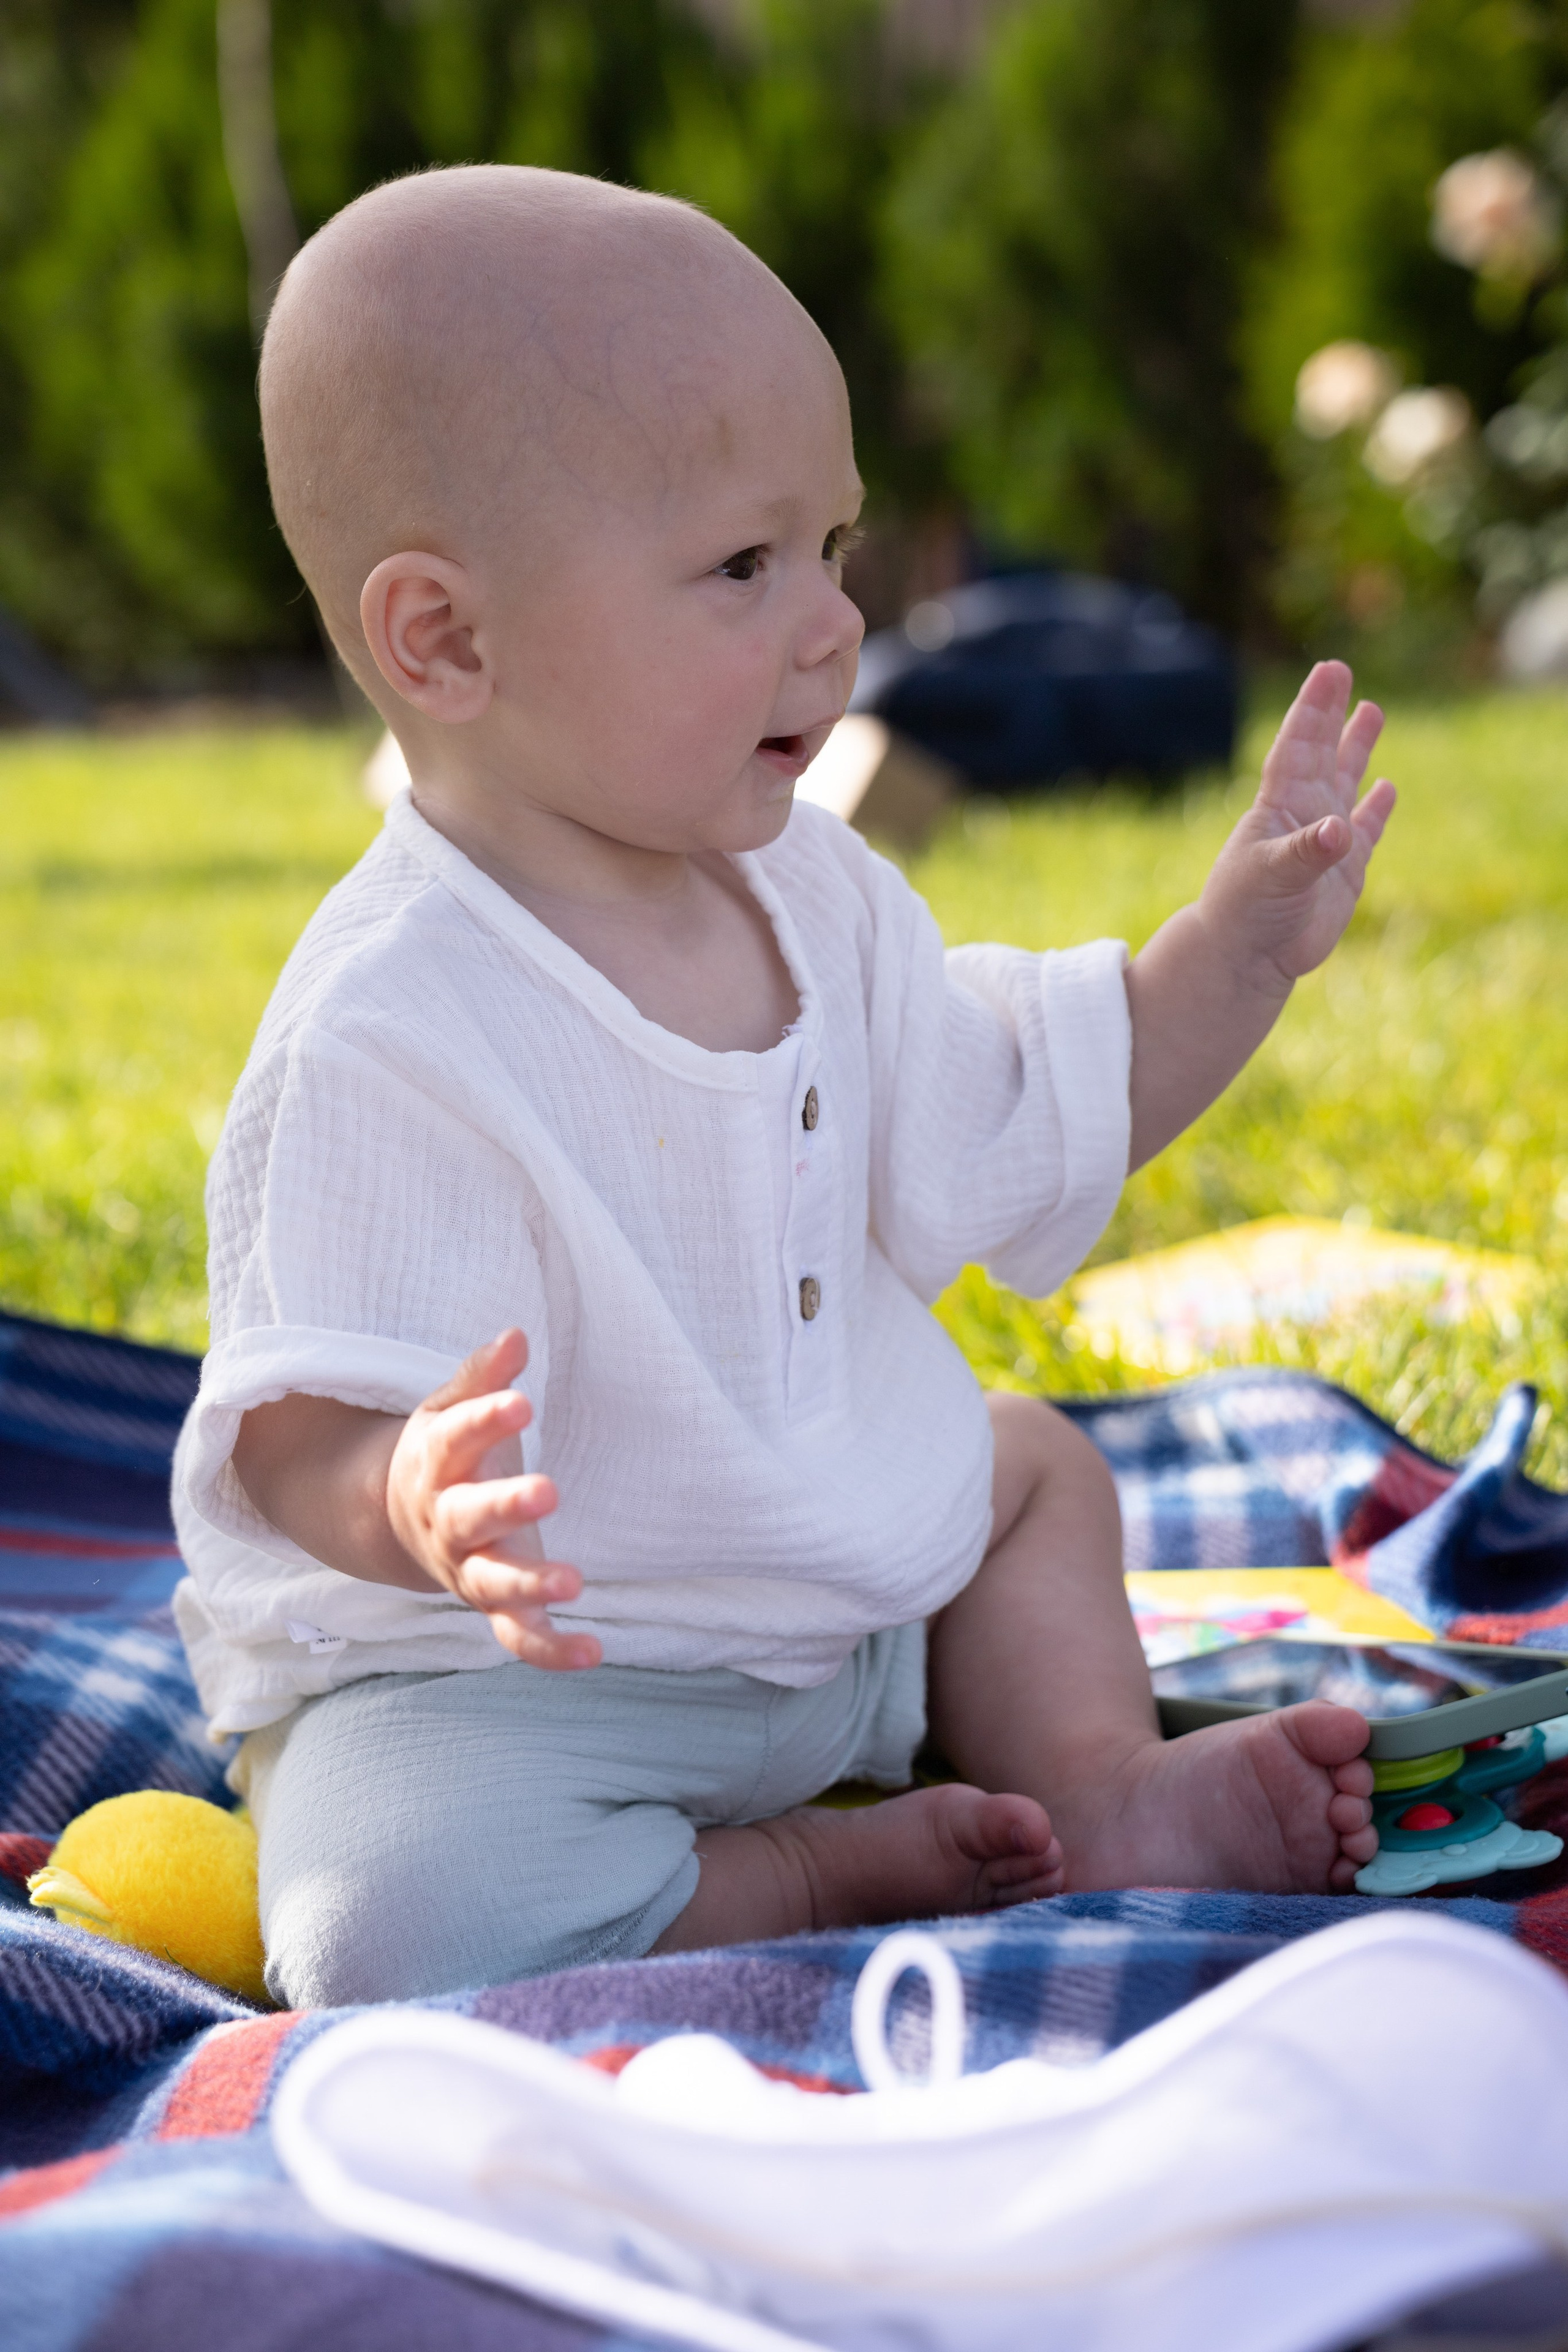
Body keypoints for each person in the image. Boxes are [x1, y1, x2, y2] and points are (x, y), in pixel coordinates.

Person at [172, 166, 1395, 2007]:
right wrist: (410, 1501)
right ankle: (810, 1869)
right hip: (525, 1684)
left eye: (835, 546)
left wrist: (1236, 946)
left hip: (837, 1613)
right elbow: (290, 1433)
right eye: (747, 566)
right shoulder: (392, 1023)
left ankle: (1096, 1790)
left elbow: (1049, 1092)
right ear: (446, 641)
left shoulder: (819, 902)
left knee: (1036, 1476)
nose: (835, 626)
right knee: (382, 1923)